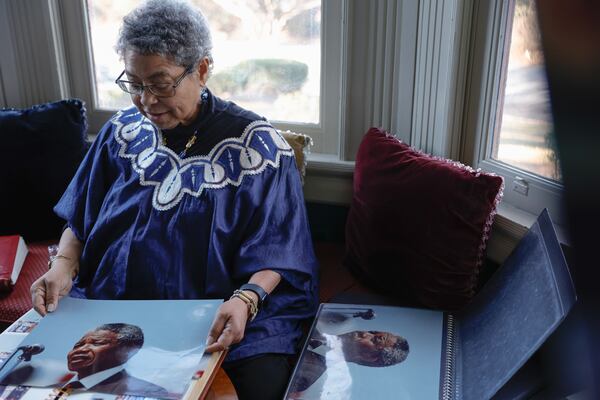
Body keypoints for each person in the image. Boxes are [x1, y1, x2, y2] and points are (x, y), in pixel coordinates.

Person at [29, 1, 318, 398]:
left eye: (160, 83)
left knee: (259, 387)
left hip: (219, 311)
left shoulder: (259, 148)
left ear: (200, 70)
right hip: (113, 303)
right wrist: (62, 266)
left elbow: (280, 248)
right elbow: (81, 218)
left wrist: (246, 300)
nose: (146, 100)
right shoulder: (123, 131)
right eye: (134, 83)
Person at [63, 323, 168, 397]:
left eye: (97, 343)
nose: (81, 349)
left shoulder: (145, 391)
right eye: (78, 345)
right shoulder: (51, 389)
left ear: (125, 352)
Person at [288, 330, 409, 393]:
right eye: (372, 332)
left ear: (369, 357)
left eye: (375, 339)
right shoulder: (312, 320)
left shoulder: (305, 376)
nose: (364, 333)